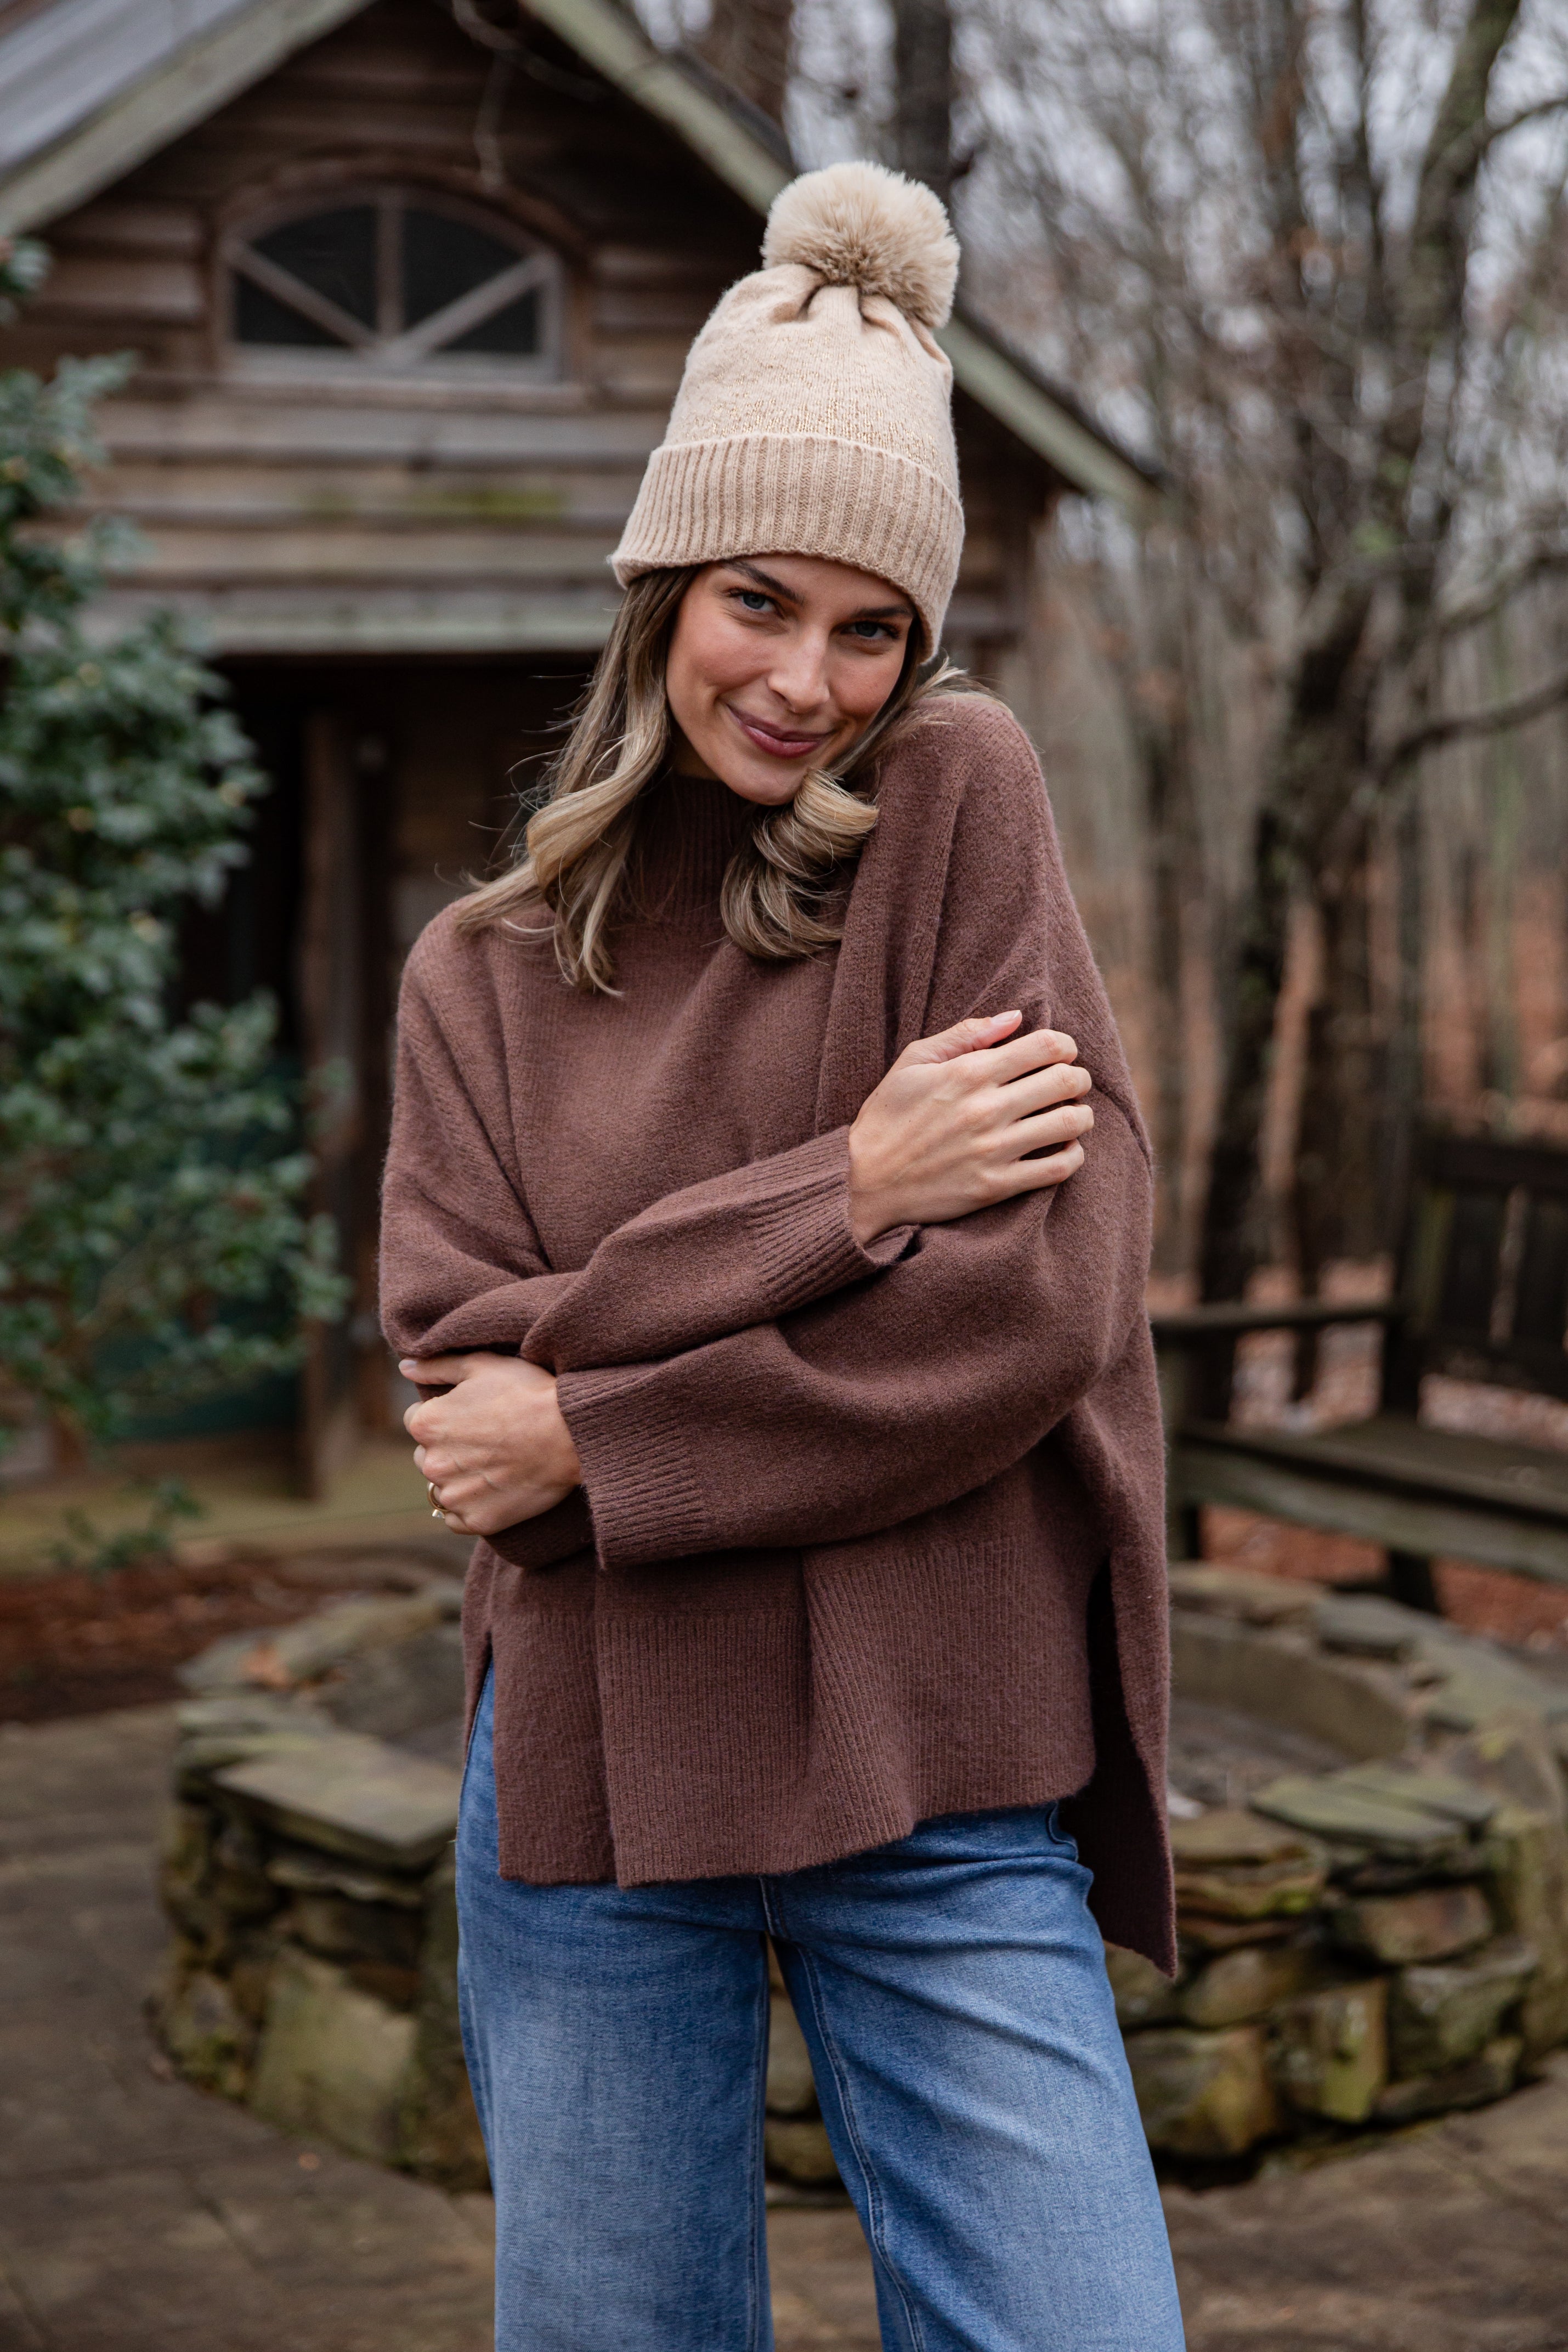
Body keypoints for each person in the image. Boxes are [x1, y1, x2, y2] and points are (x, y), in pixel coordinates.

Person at [381, 159, 1184, 2352]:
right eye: (758, 599)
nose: (811, 679)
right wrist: (847, 1196)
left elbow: (1022, 1309)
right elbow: (469, 1413)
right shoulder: (473, 974)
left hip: (930, 1767)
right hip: (590, 1777)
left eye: (870, 628)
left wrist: (611, 1432)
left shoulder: (959, 800)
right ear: (656, 592)